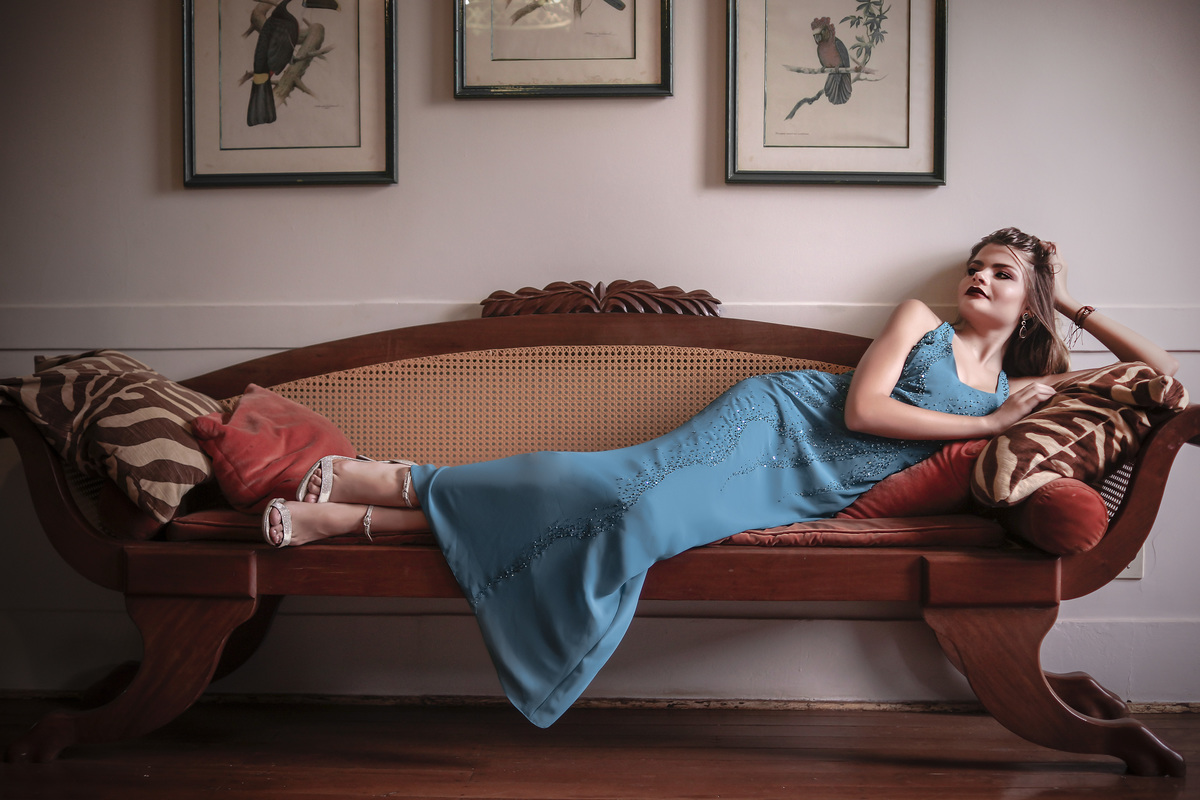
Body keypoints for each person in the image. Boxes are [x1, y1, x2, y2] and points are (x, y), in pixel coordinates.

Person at [260, 227, 1177, 727]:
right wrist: (983, 423)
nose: (979, 277)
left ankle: (359, 510)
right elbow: (865, 411)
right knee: (618, 491)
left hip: (812, 488)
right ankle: (391, 483)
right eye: (976, 266)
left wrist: (1070, 300)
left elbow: (1163, 377)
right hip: (776, 423)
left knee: (616, 520)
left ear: (1029, 301)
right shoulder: (920, 324)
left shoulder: (1020, 387)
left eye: (1003, 273)